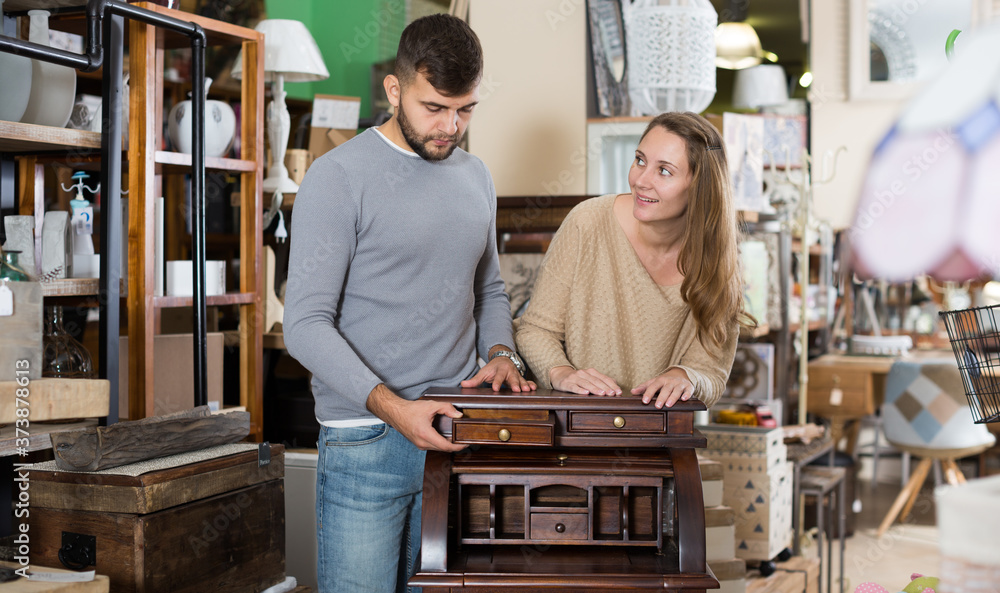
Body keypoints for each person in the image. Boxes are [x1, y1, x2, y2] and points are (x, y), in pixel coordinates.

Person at [283, 14, 536, 593]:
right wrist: (394, 408)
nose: (451, 127)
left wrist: (502, 353)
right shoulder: (337, 176)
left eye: (465, 110)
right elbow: (305, 324)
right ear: (394, 90)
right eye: (434, 107)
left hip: (456, 433)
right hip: (365, 437)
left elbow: (488, 290)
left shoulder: (477, 176)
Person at [515, 111, 752, 409]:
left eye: (664, 171)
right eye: (640, 160)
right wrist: (561, 373)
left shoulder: (717, 261)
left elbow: (712, 372)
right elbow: (535, 330)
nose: (640, 180)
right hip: (573, 420)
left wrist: (685, 377)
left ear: (699, 187)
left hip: (657, 429)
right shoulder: (586, 222)